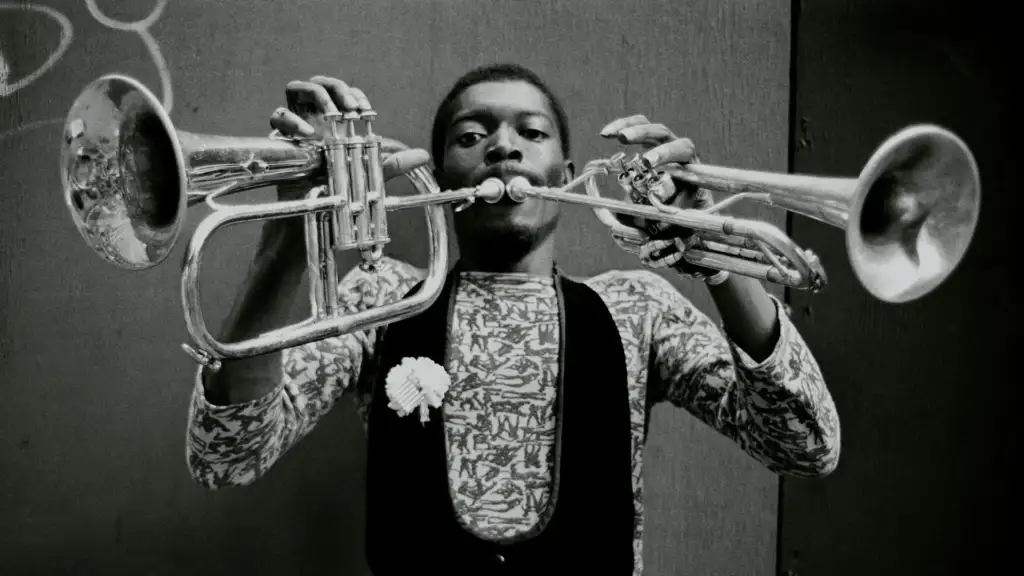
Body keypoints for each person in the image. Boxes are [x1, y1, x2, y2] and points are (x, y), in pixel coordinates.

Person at [185, 63, 840, 576]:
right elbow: (225, 457)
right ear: (441, 174)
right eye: (472, 135)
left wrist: (718, 259)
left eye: (531, 133)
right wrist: (288, 235)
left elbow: (805, 445)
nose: (502, 147)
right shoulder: (378, 296)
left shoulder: (635, 306)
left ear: (569, 173)